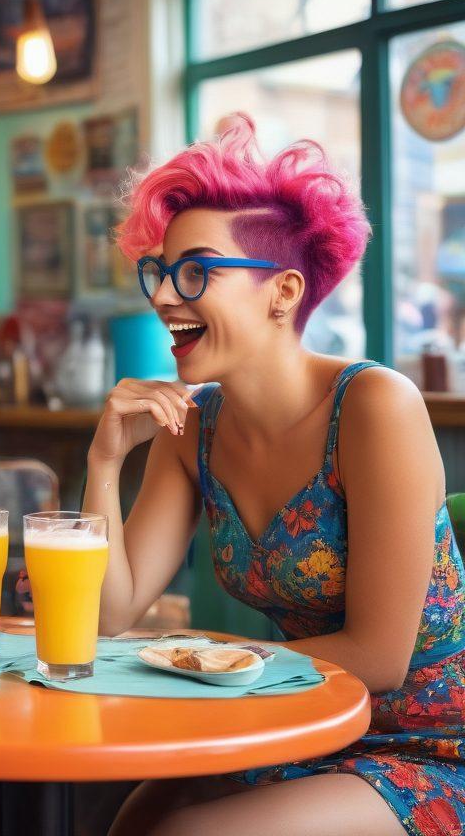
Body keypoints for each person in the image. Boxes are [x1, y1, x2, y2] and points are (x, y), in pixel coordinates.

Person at [84, 115, 465, 836]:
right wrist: (105, 460)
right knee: (130, 823)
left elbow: (380, 657)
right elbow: (111, 613)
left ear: (283, 292)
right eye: (160, 272)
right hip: (302, 725)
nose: (164, 296)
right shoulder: (192, 425)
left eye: (195, 271)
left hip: (433, 748)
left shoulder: (375, 406)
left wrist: (193, 667)